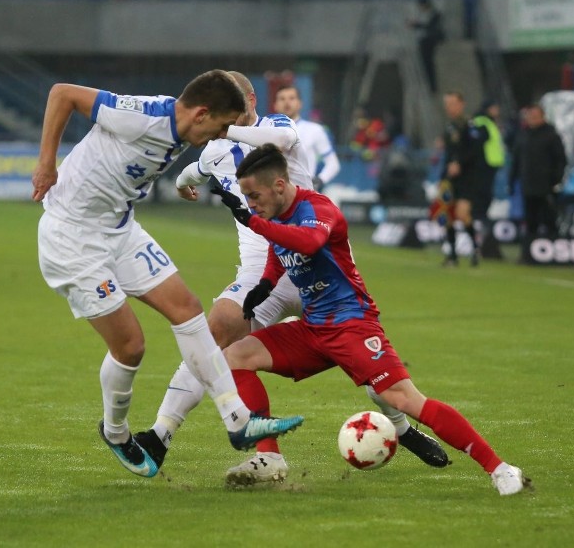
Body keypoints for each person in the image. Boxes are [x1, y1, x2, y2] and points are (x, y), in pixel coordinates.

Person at [135, 72, 447, 487]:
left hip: (319, 264)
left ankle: (401, 427)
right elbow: (197, 168)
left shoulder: (278, 127)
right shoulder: (214, 152)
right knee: (215, 334)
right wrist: (183, 182)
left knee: (377, 373)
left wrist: (229, 128)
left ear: (249, 100)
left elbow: (277, 144)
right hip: (261, 274)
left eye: (233, 104)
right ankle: (166, 436)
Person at [211, 143, 532, 496]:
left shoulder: (318, 209)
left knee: (404, 399)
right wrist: (267, 284)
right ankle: (269, 458)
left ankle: (500, 468)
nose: (251, 203)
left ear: (279, 185)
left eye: (254, 195)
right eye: (246, 197)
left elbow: (310, 242)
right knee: (237, 356)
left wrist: (254, 223)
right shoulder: (276, 217)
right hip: (314, 328)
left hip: (352, 324)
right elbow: (279, 252)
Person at [31, 70, 304, 478]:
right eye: (221, 126)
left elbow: (195, 169)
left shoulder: (192, 136)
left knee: (189, 309)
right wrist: (47, 165)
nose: (223, 135)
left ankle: (237, 419)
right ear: (201, 114)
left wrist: (184, 182)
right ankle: (117, 431)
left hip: (120, 230)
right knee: (131, 347)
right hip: (73, 238)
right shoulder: (140, 115)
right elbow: (61, 93)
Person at [442, 91, 487, 266]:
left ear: (461, 104)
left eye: (453, 103)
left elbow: (475, 151)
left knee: (462, 213)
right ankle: (452, 255)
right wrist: (443, 176)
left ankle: (475, 248)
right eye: (447, 104)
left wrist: (459, 164)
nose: (450, 108)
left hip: (468, 178)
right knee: (447, 215)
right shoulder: (449, 127)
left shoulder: (471, 125)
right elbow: (448, 154)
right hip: (450, 178)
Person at [509, 104, 567, 237]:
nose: (533, 119)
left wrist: (555, 179)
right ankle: (531, 250)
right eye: (530, 116)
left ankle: (553, 246)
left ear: (543, 117)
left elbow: (560, 160)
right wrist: (511, 181)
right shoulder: (522, 136)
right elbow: (516, 161)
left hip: (546, 186)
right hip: (527, 186)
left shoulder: (551, 135)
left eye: (535, 116)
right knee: (530, 220)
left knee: (549, 218)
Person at [273, 85, 341, 190]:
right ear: (275, 105)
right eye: (282, 99)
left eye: (291, 98)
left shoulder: (315, 130)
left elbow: (333, 163)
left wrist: (320, 180)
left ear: (300, 104)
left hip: (304, 195)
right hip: (274, 195)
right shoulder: (266, 130)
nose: (287, 102)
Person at [471, 99, 507, 222]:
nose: (497, 110)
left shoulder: (489, 122)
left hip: (490, 164)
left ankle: (481, 217)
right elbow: (477, 143)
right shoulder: (482, 122)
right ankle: (479, 218)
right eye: (495, 107)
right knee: (482, 193)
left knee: (486, 193)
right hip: (484, 164)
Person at [408, 0, 445, 94]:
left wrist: (416, 25)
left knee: (428, 63)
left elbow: (428, 26)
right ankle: (427, 85)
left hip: (429, 41)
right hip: (424, 40)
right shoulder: (423, 14)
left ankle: (432, 86)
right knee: (424, 63)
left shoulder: (434, 14)